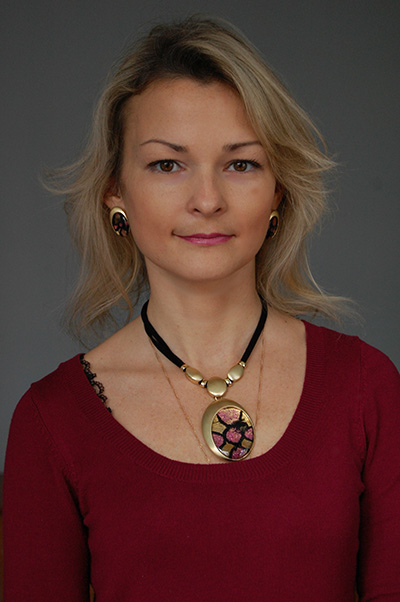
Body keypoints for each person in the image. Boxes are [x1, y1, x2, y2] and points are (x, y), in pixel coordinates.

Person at [3, 15, 400, 602]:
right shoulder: (51, 421)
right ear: (115, 192)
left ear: (277, 191)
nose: (207, 200)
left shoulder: (366, 388)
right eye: (168, 164)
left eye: (241, 163)